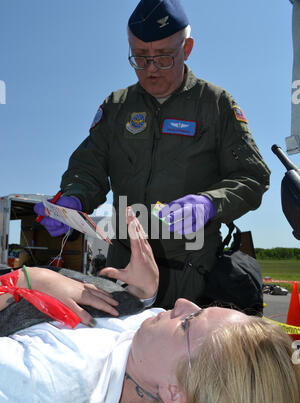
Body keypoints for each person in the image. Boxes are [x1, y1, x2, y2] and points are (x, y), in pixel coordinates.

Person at [34, 0, 271, 309]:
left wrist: (211, 203)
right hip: (124, 272)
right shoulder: (118, 106)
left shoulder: (215, 104)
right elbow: (88, 167)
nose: (150, 69)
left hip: (194, 272)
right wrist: (73, 198)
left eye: (163, 57)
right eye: (140, 57)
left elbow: (252, 176)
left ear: (186, 49)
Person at [0, 211, 300, 403]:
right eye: (198, 308)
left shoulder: (42, 385)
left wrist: (25, 280)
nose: (181, 302)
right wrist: (140, 295)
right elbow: (128, 328)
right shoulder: (154, 357)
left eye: (188, 322)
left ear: (172, 391)